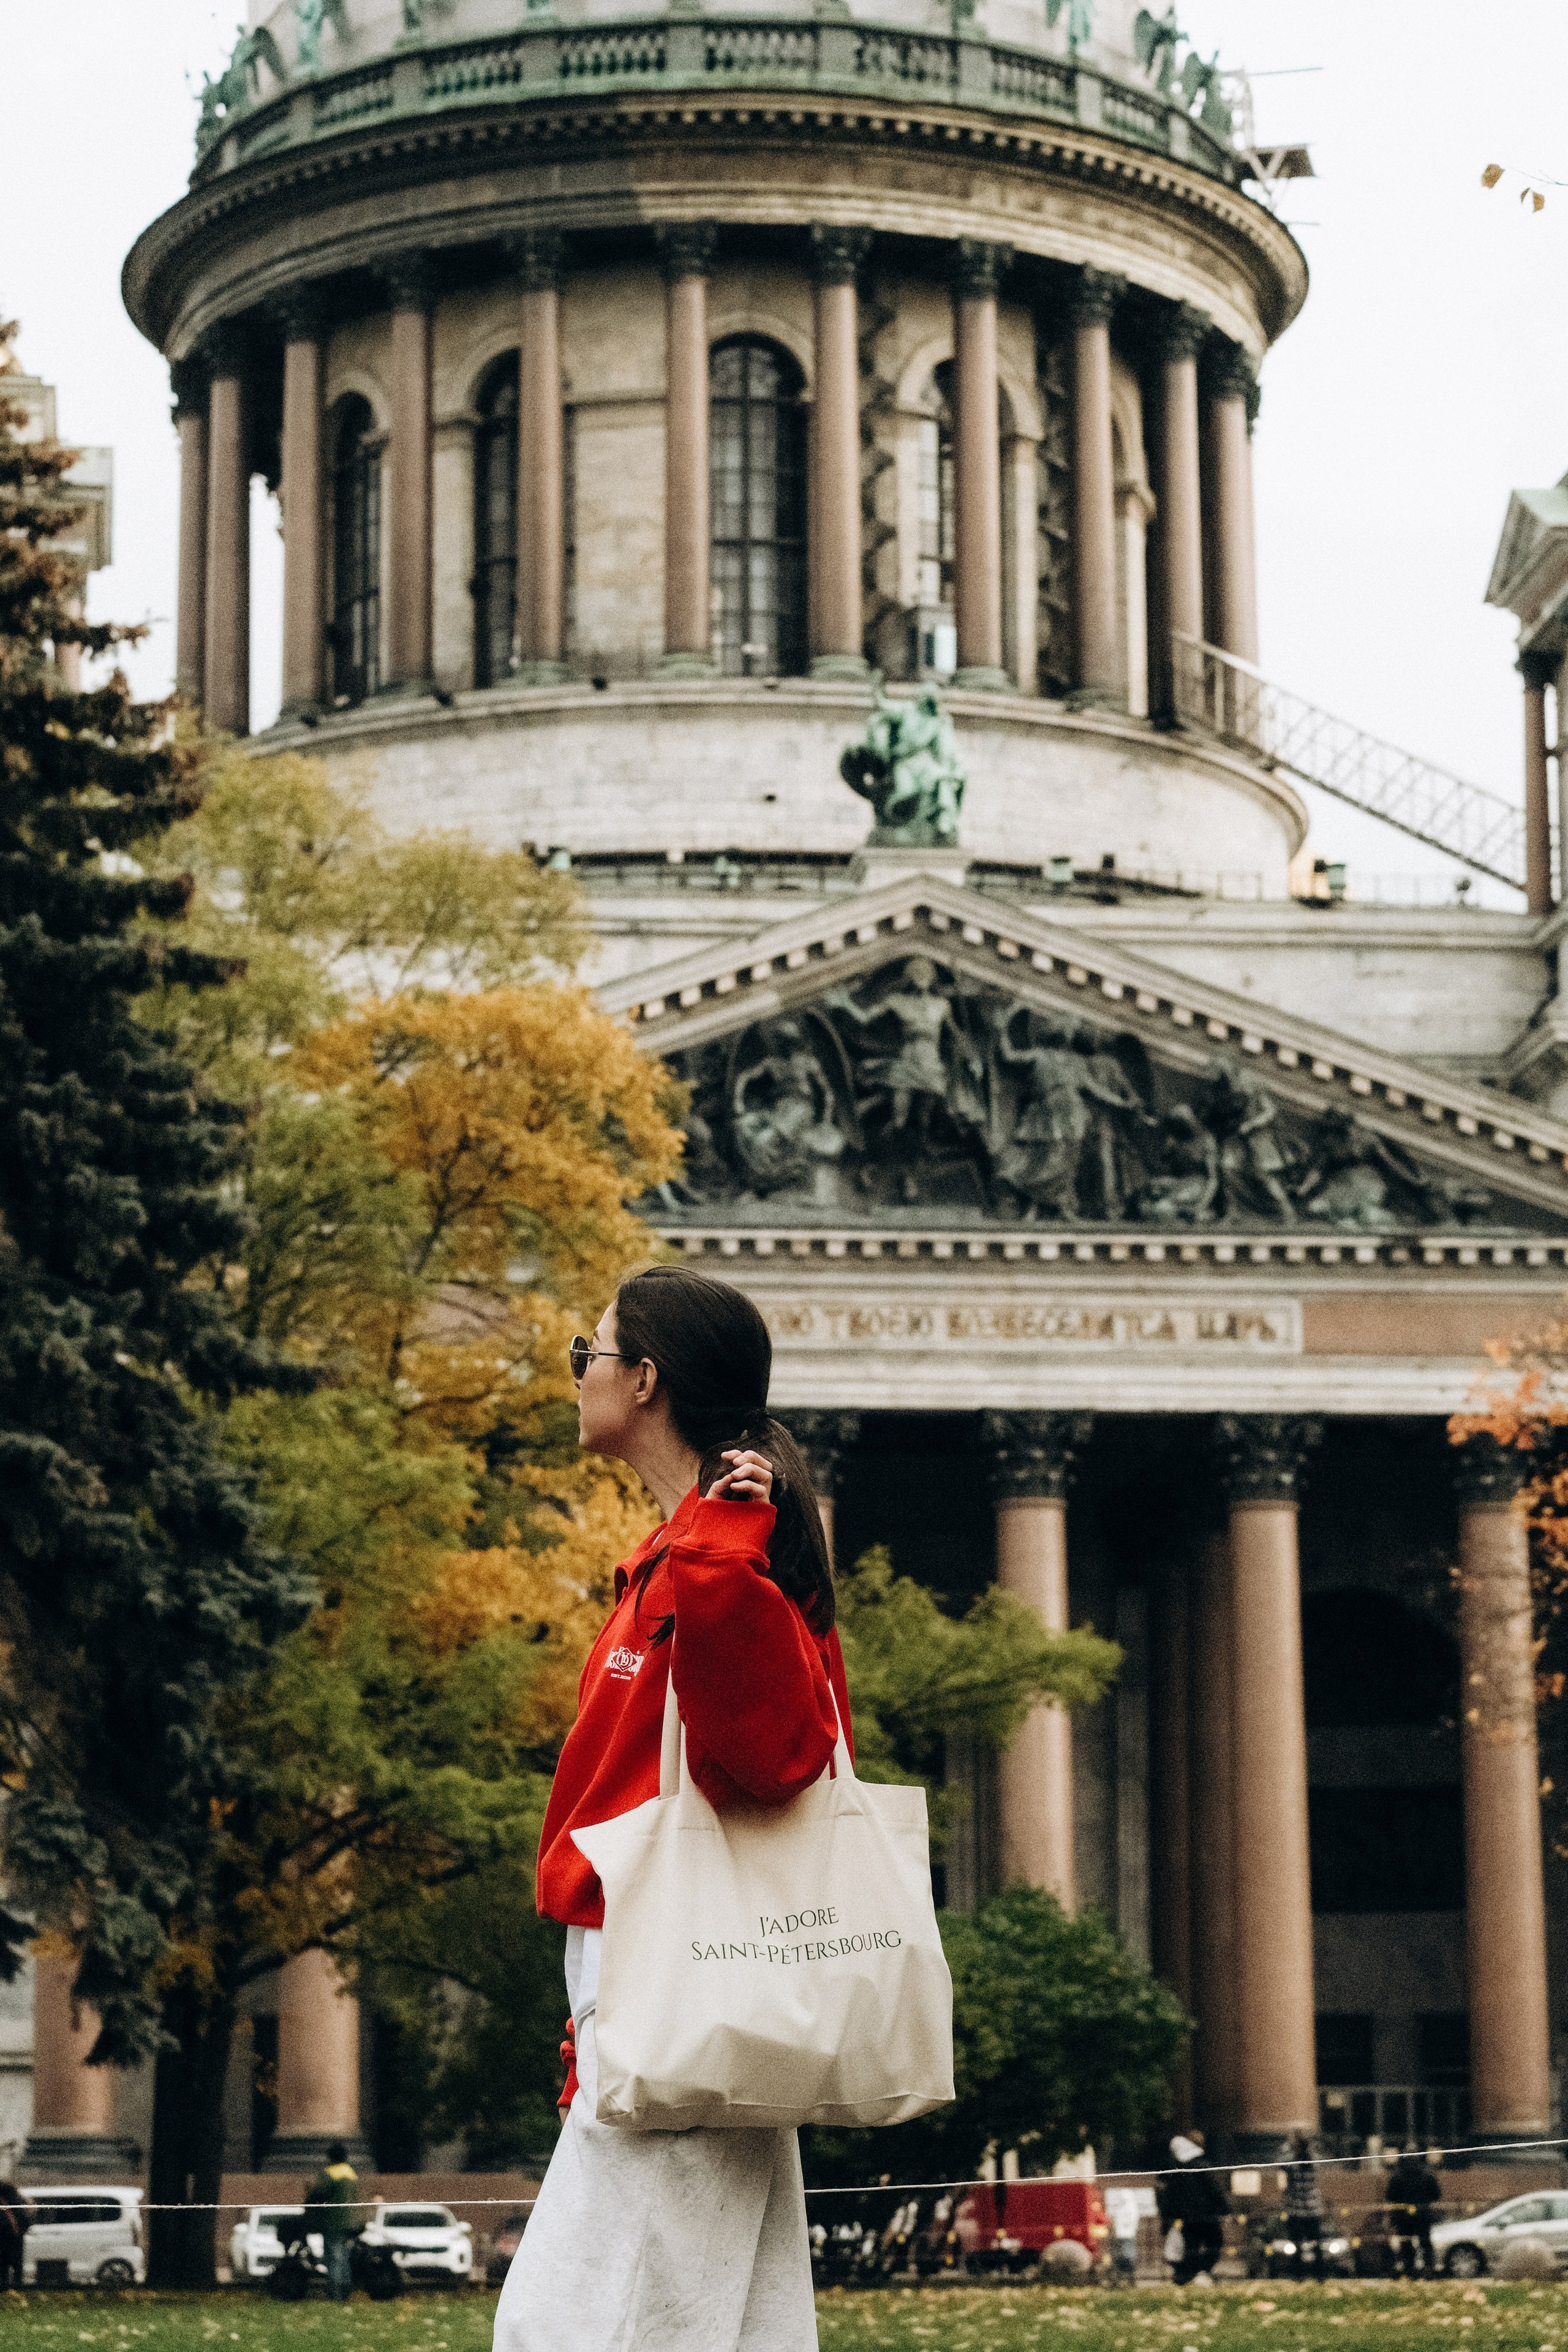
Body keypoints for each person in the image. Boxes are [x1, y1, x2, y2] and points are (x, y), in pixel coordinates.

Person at [494, 1264, 852, 2352]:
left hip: (687, 1981)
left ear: (644, 1380)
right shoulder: (686, 1554)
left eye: (587, 1354)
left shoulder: (723, 1554)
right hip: (669, 1983)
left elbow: (783, 1756)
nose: (577, 1376)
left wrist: (717, 1563)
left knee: (566, 2330)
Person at [1157, 2133, 1229, 2285]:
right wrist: (1224, 2208)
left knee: (1191, 2247)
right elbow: (1213, 2189)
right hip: (1206, 2215)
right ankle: (1198, 2272)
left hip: (1185, 2218)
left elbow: (1169, 2196)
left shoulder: (1176, 2170)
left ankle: (1187, 2275)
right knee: (1214, 2243)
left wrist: (1167, 2218)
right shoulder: (1201, 2165)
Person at [304, 2141, 362, 2301]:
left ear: (331, 2157)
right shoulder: (351, 2173)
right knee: (343, 2256)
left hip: (334, 2222)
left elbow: (318, 2194)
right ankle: (346, 2289)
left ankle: (336, 2291)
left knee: (333, 2256)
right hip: (351, 2223)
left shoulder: (330, 2173)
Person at [1385, 2144, 1442, 2277]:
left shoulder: (1397, 2177)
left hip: (1403, 2217)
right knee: (1425, 2243)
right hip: (1423, 2215)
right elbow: (1436, 2195)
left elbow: (1390, 2196)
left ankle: (1409, 2270)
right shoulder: (1427, 2176)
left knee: (1406, 2244)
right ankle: (1428, 2270)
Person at [1283, 2133, 1324, 2274]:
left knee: (1298, 2245)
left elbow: (1280, 2162)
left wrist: (1288, 2147)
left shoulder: (1292, 2161)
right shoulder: (1312, 2158)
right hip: (1313, 2208)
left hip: (1295, 2208)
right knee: (1316, 2243)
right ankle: (1319, 2273)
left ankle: (1298, 2274)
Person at [1102, 2184, 1141, 2283]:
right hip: (1121, 2235)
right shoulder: (1122, 2207)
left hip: (1127, 2235)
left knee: (1126, 2257)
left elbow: (1131, 2221)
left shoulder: (1131, 2207)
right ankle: (1120, 2277)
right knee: (1119, 2257)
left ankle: (1128, 2278)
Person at [0, 2177, 31, 2290]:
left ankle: (5, 2289)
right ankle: (17, 2289)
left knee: (3, 2267)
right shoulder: (16, 2199)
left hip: (6, 2237)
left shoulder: (6, 2199)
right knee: (17, 2267)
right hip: (16, 2236)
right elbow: (25, 2218)